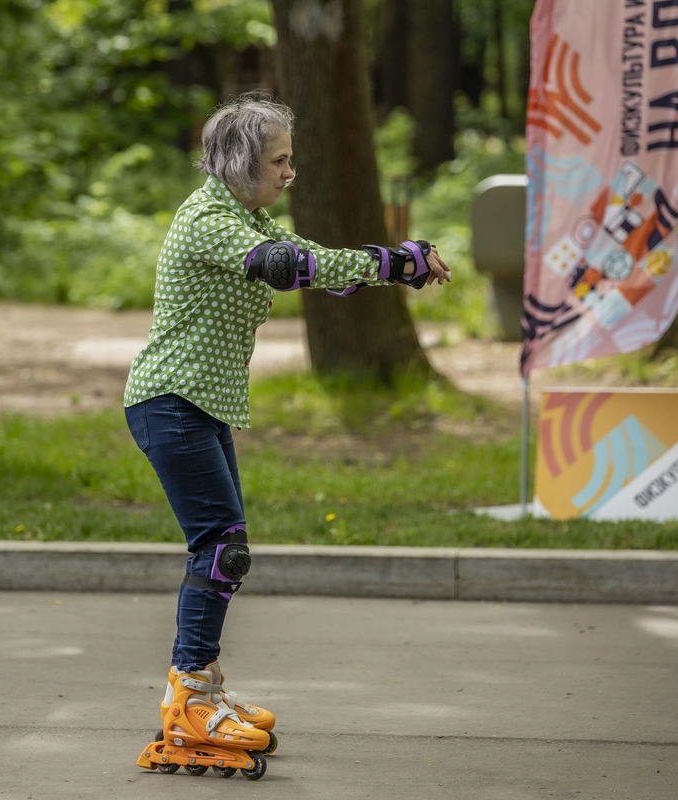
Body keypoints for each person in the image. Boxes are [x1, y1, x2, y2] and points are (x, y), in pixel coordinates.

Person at [127, 93, 450, 779]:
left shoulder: (253, 218)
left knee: (225, 550)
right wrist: (329, 262)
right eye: (280, 160)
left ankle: (201, 692)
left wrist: (397, 263)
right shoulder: (209, 220)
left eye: (291, 159)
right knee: (222, 549)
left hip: (198, 406)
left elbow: (317, 263)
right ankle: (188, 698)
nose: (290, 171)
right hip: (169, 402)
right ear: (242, 161)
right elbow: (279, 264)